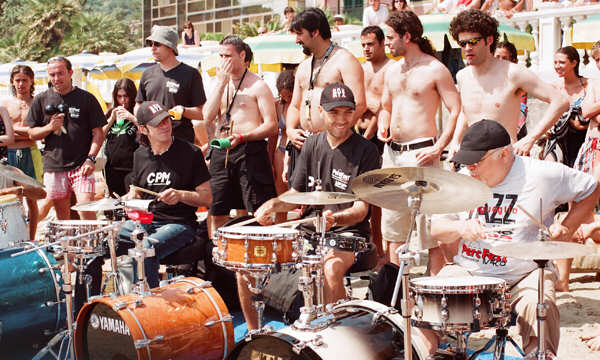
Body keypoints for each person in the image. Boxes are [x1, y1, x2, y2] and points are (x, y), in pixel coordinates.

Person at [420, 120, 600, 358]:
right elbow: (436, 228)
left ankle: (539, 353)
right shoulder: (463, 179)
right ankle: (421, 350)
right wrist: (460, 226)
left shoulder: (542, 174)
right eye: (468, 162)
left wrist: (567, 228)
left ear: (504, 154)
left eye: (476, 162)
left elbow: (591, 189)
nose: (470, 168)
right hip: (472, 270)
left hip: (526, 272)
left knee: (539, 304)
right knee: (428, 311)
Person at [247, 83, 381, 330]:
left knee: (330, 269)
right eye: (334, 112)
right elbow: (297, 194)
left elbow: (362, 210)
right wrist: (273, 205)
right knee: (248, 264)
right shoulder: (311, 144)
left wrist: (335, 219)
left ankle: (339, 335)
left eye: (347, 112)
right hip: (308, 230)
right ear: (320, 112)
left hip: (348, 234)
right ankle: (255, 335)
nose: (341, 119)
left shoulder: (367, 151)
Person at [378, 11, 461, 272]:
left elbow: (456, 110)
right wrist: (383, 121)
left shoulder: (435, 69)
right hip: (392, 153)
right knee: (393, 224)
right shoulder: (391, 70)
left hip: (422, 152)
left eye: (390, 37)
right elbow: (385, 107)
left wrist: (439, 147)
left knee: (430, 226)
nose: (386, 43)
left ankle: (434, 285)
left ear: (408, 36)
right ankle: (397, 291)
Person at [448, 10, 569, 156]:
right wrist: (455, 142)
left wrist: (530, 138)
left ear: (489, 40)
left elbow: (560, 101)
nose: (467, 48)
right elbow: (465, 112)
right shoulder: (462, 76)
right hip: (473, 157)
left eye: (473, 41)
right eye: (462, 43)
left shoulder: (513, 73)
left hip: (505, 157)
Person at [119, 101, 212, 288]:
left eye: (166, 120)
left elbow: (207, 197)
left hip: (178, 223)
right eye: (158, 123)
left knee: (146, 249)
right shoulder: (140, 155)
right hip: (144, 222)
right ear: (143, 129)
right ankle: (95, 305)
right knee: (103, 243)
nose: (165, 125)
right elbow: (137, 189)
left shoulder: (190, 153)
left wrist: (180, 195)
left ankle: (151, 306)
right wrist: (131, 196)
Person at [202, 35, 278, 238]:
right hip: (222, 149)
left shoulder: (258, 85)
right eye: (221, 56)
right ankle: (216, 257)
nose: (223, 61)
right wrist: (220, 83)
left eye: (228, 55)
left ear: (242, 55)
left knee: (258, 209)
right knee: (218, 208)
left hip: (249, 150)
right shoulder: (220, 83)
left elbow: (272, 126)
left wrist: (244, 136)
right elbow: (207, 117)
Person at [286, 7, 365, 181]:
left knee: (336, 203)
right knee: (304, 203)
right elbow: (294, 105)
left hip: (337, 145)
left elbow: (359, 103)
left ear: (315, 32)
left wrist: (330, 133)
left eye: (300, 34)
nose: (297, 40)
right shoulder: (304, 66)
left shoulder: (345, 60)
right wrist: (291, 131)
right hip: (304, 145)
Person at [26, 56, 106, 220]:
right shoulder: (41, 99)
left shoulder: (86, 98)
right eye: (52, 75)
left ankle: (91, 245)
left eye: (60, 73)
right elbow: (31, 133)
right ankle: (68, 246)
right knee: (63, 217)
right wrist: (50, 127)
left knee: (85, 209)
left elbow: (98, 132)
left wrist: (91, 158)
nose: (56, 78)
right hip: (54, 166)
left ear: (70, 73)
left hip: (82, 165)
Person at [136, 26, 206, 144]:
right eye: (151, 44)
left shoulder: (191, 74)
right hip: (151, 142)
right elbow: (138, 105)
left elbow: (202, 113)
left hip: (180, 142)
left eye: (157, 44)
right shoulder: (147, 74)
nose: (152, 48)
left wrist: (183, 111)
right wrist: (141, 122)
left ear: (170, 46)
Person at [0, 65, 39, 240]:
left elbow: (40, 131)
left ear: (31, 81)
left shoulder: (37, 102)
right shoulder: (6, 104)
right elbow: (28, 131)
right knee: (14, 197)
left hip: (31, 151)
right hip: (11, 153)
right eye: (17, 80)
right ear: (12, 82)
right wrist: (28, 131)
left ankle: (31, 238)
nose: (21, 84)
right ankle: (17, 236)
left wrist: (17, 131)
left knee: (32, 197)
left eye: (24, 80)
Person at [102, 78, 139, 196]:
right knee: (115, 203)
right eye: (119, 96)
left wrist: (132, 118)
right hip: (112, 167)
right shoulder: (110, 113)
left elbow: (149, 130)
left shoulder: (137, 111)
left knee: (131, 203)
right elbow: (100, 135)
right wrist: (111, 118)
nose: (123, 100)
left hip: (132, 167)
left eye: (126, 96)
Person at [268, 69, 295, 196]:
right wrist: (270, 159)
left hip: (298, 150)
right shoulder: (277, 105)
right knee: (281, 193)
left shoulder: (301, 105)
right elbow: (273, 135)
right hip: (281, 150)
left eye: (290, 96)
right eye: (283, 96)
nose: (287, 99)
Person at [494, 41, 528, 141]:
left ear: (514, 61)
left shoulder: (519, 83)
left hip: (514, 134)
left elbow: (522, 110)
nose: (500, 61)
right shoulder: (487, 81)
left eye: (504, 58)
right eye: (497, 57)